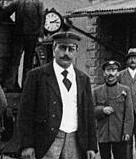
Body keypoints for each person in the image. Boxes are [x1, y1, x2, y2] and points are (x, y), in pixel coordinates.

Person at [17, 31, 97, 159]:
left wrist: (91, 146)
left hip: (75, 139)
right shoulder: (37, 76)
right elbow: (25, 113)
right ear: (54, 49)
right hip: (46, 140)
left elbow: (89, 115)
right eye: (62, 48)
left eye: (71, 49)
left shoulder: (83, 79)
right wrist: (27, 144)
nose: (66, 53)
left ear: (76, 52)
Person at [0, 0, 45, 90]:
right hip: (18, 35)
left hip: (32, 36)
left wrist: (40, 35)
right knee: (15, 60)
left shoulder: (38, 3)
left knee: (28, 62)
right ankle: (10, 85)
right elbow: (6, 12)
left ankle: (26, 85)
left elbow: (42, 19)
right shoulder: (17, 2)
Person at [93, 60, 133, 159]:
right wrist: (102, 110)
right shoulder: (96, 91)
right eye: (108, 70)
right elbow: (91, 111)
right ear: (104, 73)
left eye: (114, 70)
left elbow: (129, 113)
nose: (111, 73)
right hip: (103, 133)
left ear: (118, 73)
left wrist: (127, 131)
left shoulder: (125, 90)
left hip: (119, 134)